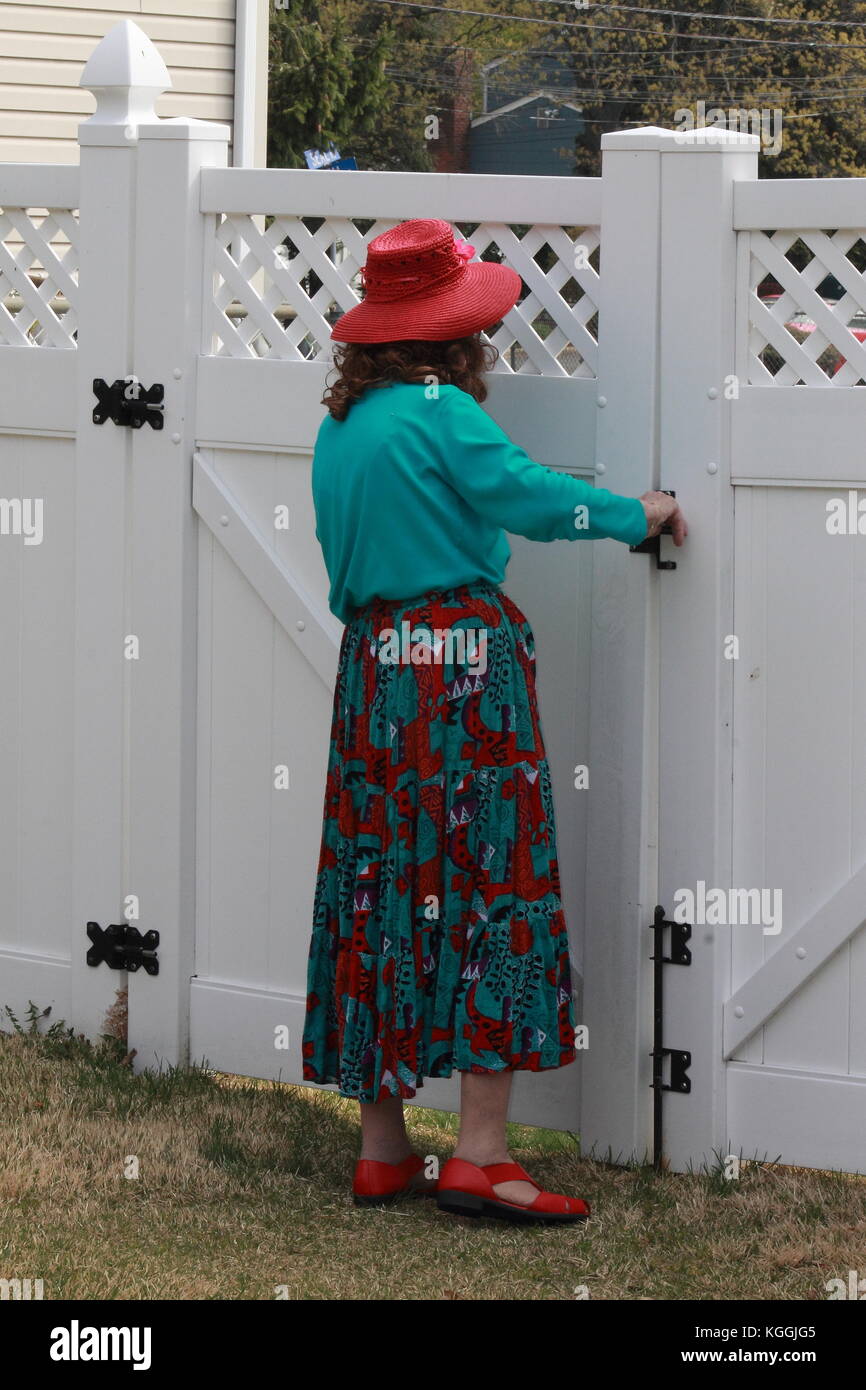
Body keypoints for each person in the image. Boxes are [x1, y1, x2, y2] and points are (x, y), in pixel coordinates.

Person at [301, 218, 687, 1225]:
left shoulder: (344, 425)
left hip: (376, 673)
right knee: (487, 885)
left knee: (379, 885)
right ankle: (477, 1155)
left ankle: (383, 1148)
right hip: (460, 670)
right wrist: (633, 513)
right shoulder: (437, 413)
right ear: (451, 335)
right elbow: (525, 499)